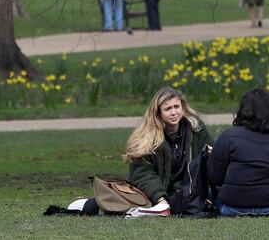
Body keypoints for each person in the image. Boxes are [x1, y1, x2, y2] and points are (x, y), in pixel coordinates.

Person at [70, 87, 213, 215]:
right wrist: (160, 199)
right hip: (155, 194)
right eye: (168, 109)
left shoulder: (197, 129)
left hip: (188, 192)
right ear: (158, 112)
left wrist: (211, 153)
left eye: (177, 106)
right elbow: (143, 174)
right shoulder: (146, 136)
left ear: (183, 107)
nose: (174, 112)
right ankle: (89, 205)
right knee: (130, 206)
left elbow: (213, 159)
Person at [207, 88, 269, 216]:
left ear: (242, 111)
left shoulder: (228, 136)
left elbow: (215, 177)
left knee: (213, 189)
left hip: (231, 208)